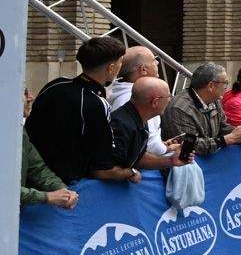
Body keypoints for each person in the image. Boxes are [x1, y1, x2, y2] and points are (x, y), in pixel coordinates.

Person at [25, 35, 123, 185]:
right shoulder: (95, 102)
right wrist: (131, 171)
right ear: (111, 68)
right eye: (120, 62)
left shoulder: (55, 84)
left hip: (30, 172)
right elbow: (103, 165)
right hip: (65, 183)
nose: (121, 66)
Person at [162, 63, 241, 158]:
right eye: (225, 83)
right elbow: (189, 144)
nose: (227, 88)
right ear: (211, 86)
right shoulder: (180, 108)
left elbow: (223, 126)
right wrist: (227, 139)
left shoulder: (214, 100)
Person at [102, 77, 186, 183]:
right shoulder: (121, 125)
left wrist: (171, 160)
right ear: (155, 102)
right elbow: (104, 170)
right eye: (168, 96)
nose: (170, 100)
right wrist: (130, 172)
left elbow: (138, 157)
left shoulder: (139, 120)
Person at [20, 131, 77, 210]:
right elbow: (5, 189)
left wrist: (62, 190)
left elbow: (38, 169)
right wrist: (46, 197)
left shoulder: (19, 131)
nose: (27, 117)